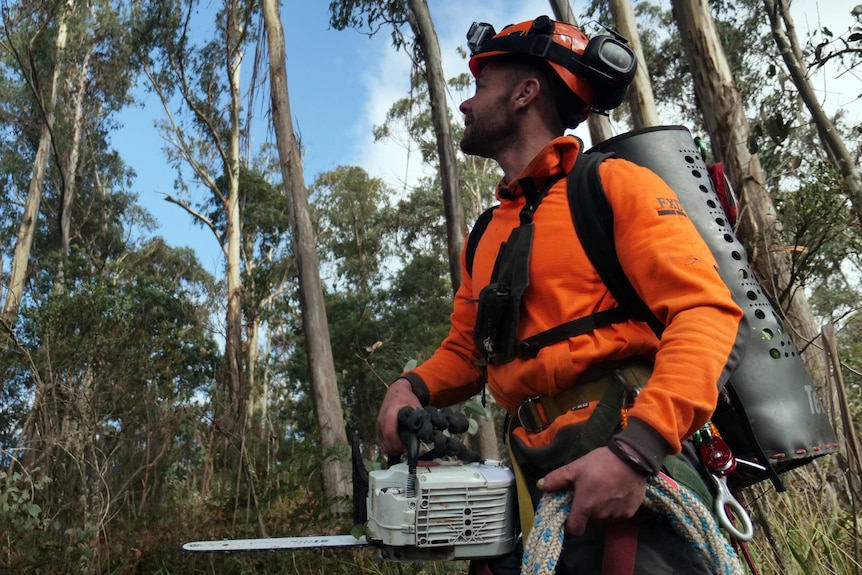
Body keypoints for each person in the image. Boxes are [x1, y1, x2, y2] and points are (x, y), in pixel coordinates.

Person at [377, 15, 748, 574]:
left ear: (526, 94)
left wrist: (635, 452)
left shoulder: (614, 184)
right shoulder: (483, 236)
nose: (464, 105)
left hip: (637, 463)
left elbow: (707, 312)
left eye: (480, 87)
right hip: (534, 476)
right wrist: (408, 389)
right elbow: (467, 351)